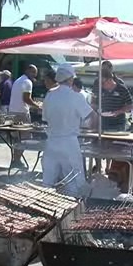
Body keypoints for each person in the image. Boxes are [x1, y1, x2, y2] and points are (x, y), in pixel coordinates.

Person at [42, 63, 94, 196]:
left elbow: (46, 118)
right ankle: (73, 209)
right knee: (73, 180)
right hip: (69, 142)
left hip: (52, 142)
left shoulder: (49, 95)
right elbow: (89, 116)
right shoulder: (77, 96)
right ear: (71, 79)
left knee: (48, 180)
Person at [9, 64, 41, 167]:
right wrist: (38, 106)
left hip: (12, 111)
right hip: (21, 112)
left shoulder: (18, 80)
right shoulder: (27, 82)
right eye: (33, 73)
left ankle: (15, 159)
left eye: (35, 74)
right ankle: (17, 160)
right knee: (25, 138)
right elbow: (26, 99)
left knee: (16, 138)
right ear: (27, 70)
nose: (34, 76)